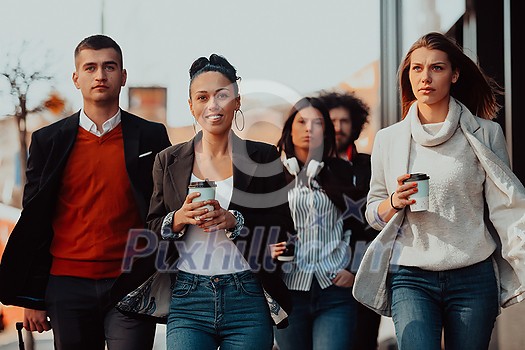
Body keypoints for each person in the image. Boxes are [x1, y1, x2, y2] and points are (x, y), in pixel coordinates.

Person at [352, 32, 525, 350]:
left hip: (473, 275)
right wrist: (393, 202)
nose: (425, 77)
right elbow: (373, 211)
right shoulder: (389, 139)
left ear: (454, 74)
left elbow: (505, 205)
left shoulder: (486, 133)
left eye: (437, 68)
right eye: (416, 69)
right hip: (410, 275)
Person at [0, 34, 171, 350]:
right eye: (90, 68)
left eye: (109, 66)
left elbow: (165, 209)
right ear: (76, 78)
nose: (100, 75)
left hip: (131, 282)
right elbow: (35, 223)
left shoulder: (151, 136)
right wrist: (32, 297)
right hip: (67, 287)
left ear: (123, 76)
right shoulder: (48, 141)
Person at [112, 54, 294, 350]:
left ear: (237, 100)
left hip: (247, 294)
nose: (213, 104)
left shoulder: (264, 157)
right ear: (191, 106)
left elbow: (283, 229)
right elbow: (153, 227)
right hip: (188, 296)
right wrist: (179, 218)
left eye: (222, 95)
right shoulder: (168, 160)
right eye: (202, 97)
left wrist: (236, 221)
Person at [271, 97, 360, 350]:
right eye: (302, 122)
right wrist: (267, 249)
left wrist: (354, 268)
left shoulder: (342, 171)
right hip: (288, 291)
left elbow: (360, 226)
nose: (309, 128)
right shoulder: (274, 175)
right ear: (290, 129)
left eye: (317, 123)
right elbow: (258, 226)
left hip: (334, 289)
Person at [318, 91, 382, 350]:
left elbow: (379, 227)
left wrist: (356, 271)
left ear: (355, 124)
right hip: (322, 280)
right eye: (331, 121)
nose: (338, 127)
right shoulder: (311, 169)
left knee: (364, 341)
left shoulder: (372, 165)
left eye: (344, 121)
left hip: (364, 274)